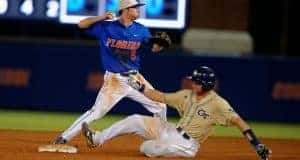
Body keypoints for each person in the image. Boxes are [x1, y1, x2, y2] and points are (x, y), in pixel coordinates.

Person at [81, 66, 271, 159]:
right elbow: (159, 96)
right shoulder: (185, 95)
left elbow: (240, 123)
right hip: (171, 131)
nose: (191, 83)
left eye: (195, 81)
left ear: (204, 84)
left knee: (146, 148)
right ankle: (97, 138)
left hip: (187, 145)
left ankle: (160, 148)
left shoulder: (219, 104)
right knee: (135, 119)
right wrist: (139, 87)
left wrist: (258, 145)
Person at [53, 0, 169, 144]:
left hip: (135, 78)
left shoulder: (142, 30)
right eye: (136, 8)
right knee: (96, 112)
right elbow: (81, 24)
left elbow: (153, 48)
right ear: (126, 9)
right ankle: (63, 138)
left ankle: (162, 139)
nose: (139, 10)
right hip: (115, 80)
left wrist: (159, 47)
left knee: (160, 106)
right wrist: (101, 17)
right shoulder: (106, 27)